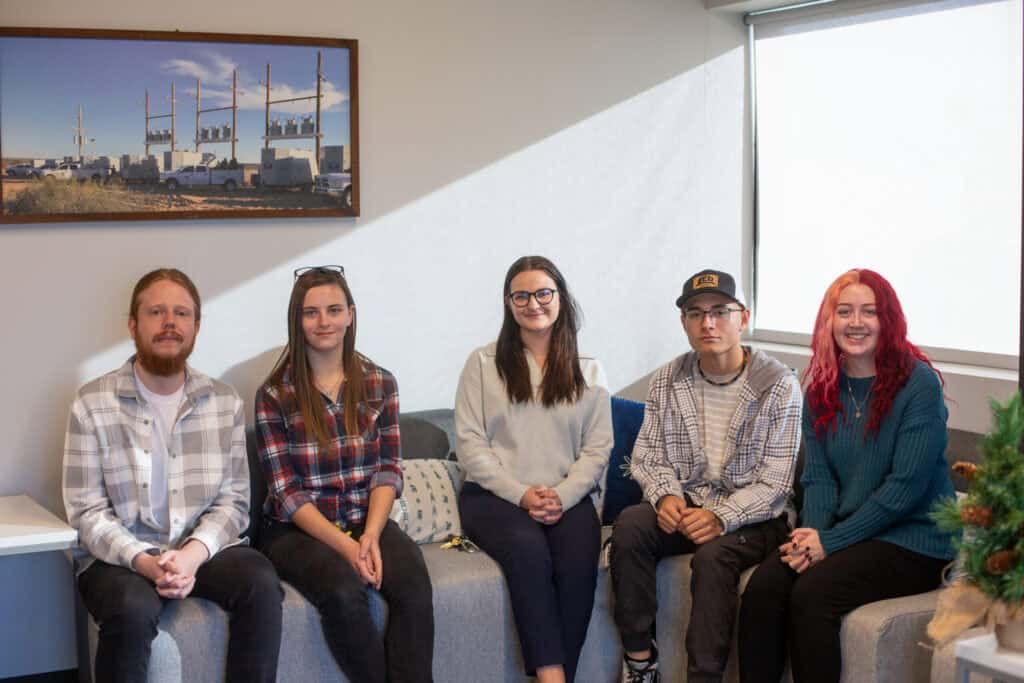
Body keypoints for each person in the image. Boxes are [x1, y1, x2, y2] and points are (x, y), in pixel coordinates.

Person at [63, 268, 283, 683]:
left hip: (199, 547)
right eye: (156, 312)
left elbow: (234, 501)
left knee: (260, 583)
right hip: (122, 556)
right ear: (133, 325)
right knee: (131, 608)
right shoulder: (92, 403)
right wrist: (147, 563)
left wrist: (191, 555)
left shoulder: (223, 401)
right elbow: (87, 511)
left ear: (196, 326)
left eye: (181, 313)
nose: (170, 322)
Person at [737, 268, 956, 683]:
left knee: (813, 594)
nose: (856, 322)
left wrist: (830, 542)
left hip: (915, 539)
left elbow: (904, 489)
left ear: (888, 320)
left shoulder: (919, 385)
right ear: (829, 321)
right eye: (844, 311)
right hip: (850, 533)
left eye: (869, 311)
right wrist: (812, 538)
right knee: (765, 586)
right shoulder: (821, 389)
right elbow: (819, 480)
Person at [611, 268, 802, 683]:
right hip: (690, 502)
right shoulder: (669, 378)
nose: (708, 323)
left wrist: (721, 517)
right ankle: (641, 663)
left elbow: (776, 484)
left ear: (743, 318)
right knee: (630, 526)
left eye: (719, 311)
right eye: (695, 313)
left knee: (714, 558)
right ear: (684, 323)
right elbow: (649, 456)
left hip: (756, 517)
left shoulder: (778, 384)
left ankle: (704, 677)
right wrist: (666, 496)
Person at [255, 265, 434, 683]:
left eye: (334, 310)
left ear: (350, 315)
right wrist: (347, 548)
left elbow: (387, 470)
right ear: (297, 320)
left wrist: (370, 536)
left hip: (364, 518)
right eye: (311, 312)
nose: (324, 321)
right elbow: (286, 493)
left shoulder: (380, 383)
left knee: (413, 584)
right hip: (296, 531)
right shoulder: (274, 394)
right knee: (343, 591)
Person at [455, 255, 613, 683]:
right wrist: (522, 494)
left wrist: (562, 495)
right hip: (494, 497)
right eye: (520, 296)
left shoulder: (589, 369)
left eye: (543, 293)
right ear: (508, 304)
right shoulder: (483, 363)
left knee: (578, 563)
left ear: (561, 297)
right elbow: (470, 444)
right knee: (529, 553)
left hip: (567, 496)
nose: (533, 303)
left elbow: (598, 448)